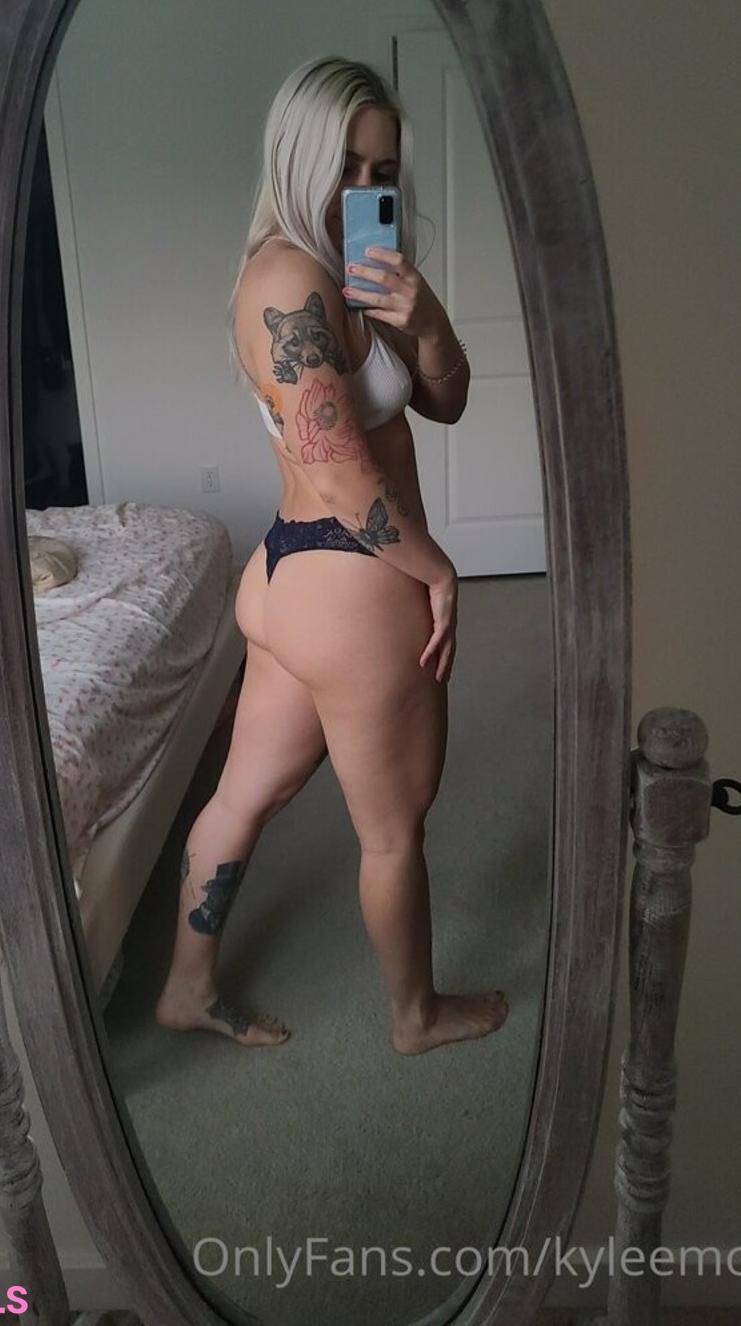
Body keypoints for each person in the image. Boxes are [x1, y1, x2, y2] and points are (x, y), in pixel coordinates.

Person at [155, 56, 509, 1056]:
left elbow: (446, 400)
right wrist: (435, 568)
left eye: (381, 171)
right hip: (351, 589)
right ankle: (415, 1015)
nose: (363, 188)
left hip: (292, 583)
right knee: (393, 829)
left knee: (244, 794)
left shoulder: (358, 274)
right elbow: (338, 466)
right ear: (296, 159)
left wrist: (425, 320)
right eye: (344, 165)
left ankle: (186, 987)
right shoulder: (288, 280)